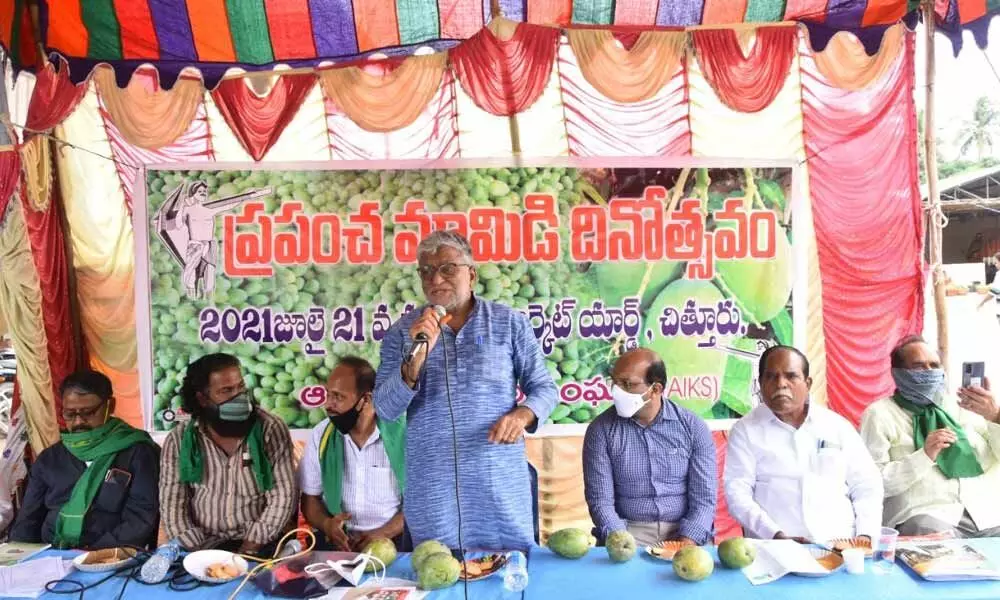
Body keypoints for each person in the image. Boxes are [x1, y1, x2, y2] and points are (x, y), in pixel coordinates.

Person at [374, 231, 558, 551]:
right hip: (433, 490)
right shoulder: (402, 334)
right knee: (438, 574)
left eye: (448, 268)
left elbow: (544, 388)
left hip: (497, 484)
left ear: (470, 274)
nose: (436, 279)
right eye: (427, 271)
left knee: (508, 575)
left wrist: (524, 414)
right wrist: (415, 358)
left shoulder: (510, 324)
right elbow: (386, 408)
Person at [724, 346, 883, 543]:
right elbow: (737, 493)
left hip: (839, 544)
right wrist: (776, 536)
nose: (781, 384)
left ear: (807, 383)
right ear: (761, 384)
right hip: (773, 548)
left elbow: (867, 484)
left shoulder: (836, 426)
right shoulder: (746, 430)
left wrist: (865, 534)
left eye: (791, 376)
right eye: (771, 377)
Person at [860, 336, 1000, 538]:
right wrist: (924, 455)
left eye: (934, 365)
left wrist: (995, 416)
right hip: (924, 516)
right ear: (897, 373)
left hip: (981, 515)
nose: (929, 372)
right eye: (918, 367)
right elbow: (872, 482)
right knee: (927, 530)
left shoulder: (967, 407)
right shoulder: (879, 414)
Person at [160, 353, 298, 555]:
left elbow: (283, 495)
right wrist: (198, 553)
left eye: (240, 387)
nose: (239, 396)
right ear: (203, 398)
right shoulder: (180, 440)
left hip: (260, 543)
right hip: (203, 545)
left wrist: (251, 546)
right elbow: (173, 504)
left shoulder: (269, 428)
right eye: (227, 390)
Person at [583, 348, 717, 547]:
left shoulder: (692, 427)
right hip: (628, 532)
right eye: (615, 382)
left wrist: (686, 543)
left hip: (683, 530)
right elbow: (600, 502)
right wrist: (622, 543)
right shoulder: (600, 431)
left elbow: (704, 499)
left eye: (628, 384)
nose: (617, 392)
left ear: (656, 389)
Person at [10, 371, 160, 549]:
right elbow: (28, 518)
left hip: (111, 554)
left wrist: (90, 555)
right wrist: (21, 557)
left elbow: (140, 518)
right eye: (70, 414)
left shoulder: (138, 452)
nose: (79, 421)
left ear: (110, 406)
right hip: (51, 554)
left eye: (88, 412)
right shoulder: (49, 459)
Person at [299, 357, 407, 551]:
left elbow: (419, 504)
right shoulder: (321, 435)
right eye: (328, 395)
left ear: (366, 399)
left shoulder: (403, 436)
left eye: (338, 397)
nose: (328, 405)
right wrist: (327, 525)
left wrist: (382, 534)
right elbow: (310, 499)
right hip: (338, 543)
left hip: (393, 541)